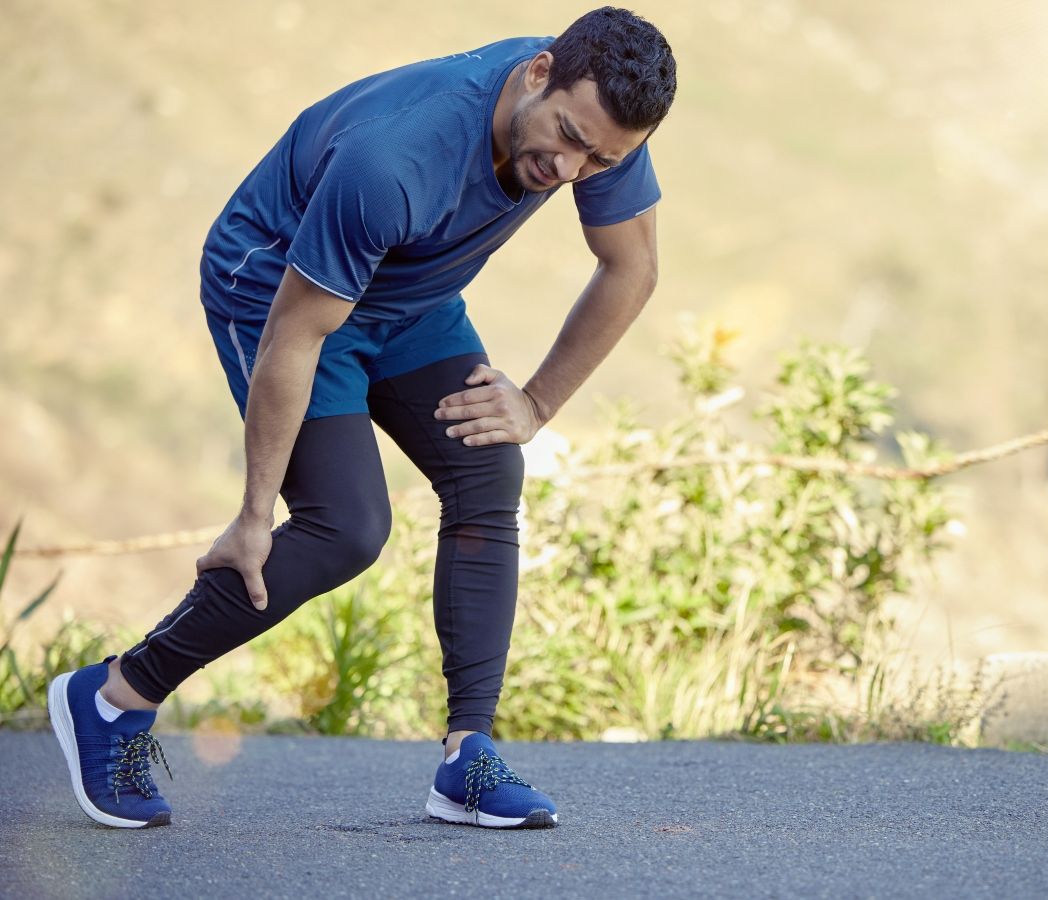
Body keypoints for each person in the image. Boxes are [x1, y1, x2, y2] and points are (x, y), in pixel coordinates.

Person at [47, 7, 677, 831]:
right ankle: (112, 695)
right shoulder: (397, 158)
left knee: (490, 469)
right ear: (538, 72)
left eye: (600, 157)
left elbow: (631, 268)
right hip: (278, 286)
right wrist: (252, 514)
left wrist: (536, 403)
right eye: (566, 138)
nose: (572, 168)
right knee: (345, 527)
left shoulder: (599, 123)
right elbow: (297, 331)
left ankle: (467, 757)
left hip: (410, 296)